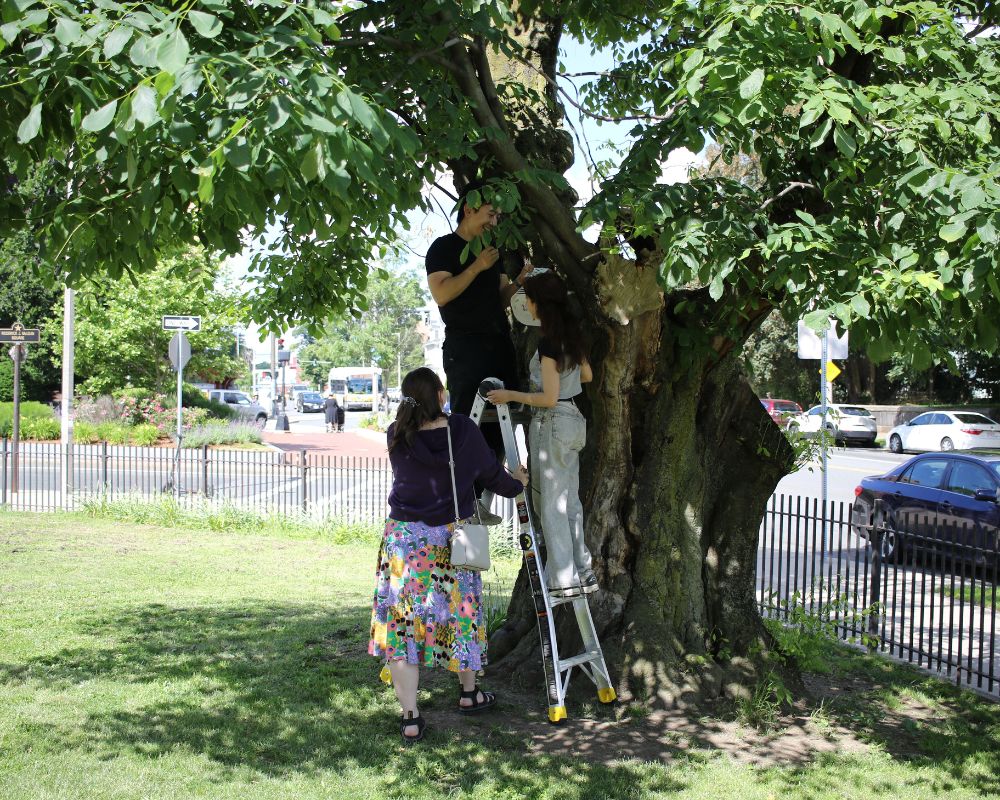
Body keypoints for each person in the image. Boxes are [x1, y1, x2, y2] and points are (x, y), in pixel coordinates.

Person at [368, 367, 528, 744]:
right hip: (450, 539)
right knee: (461, 615)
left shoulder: (396, 434)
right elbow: (494, 478)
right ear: (441, 395)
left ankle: (410, 717)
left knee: (402, 625)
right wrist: (518, 481)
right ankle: (469, 694)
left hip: (403, 541)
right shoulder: (462, 431)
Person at [425, 179, 531, 523]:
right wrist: (477, 267)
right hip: (465, 347)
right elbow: (442, 294)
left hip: (498, 344)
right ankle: (462, 501)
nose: (494, 222)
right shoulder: (443, 248)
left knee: (499, 426)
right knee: (467, 426)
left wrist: (518, 282)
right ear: (469, 209)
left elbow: (500, 300)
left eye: (498, 216)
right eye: (490, 214)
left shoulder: (491, 251)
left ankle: (481, 499)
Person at [486, 271, 596, 599]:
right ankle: (582, 570)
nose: (528, 305)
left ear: (539, 304)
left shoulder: (549, 343)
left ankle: (563, 580)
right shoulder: (571, 337)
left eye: (530, 299)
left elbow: (548, 398)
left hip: (553, 422)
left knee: (550, 504)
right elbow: (587, 375)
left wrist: (511, 395)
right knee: (569, 502)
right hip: (573, 420)